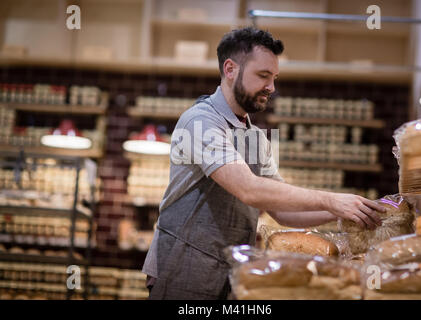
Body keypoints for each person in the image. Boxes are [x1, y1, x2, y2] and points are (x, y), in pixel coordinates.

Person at [142, 27, 386, 300]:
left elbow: (283, 212)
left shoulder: (255, 137)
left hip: (231, 272)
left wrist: (346, 211)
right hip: (183, 268)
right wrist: (331, 200)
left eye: (274, 78)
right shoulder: (200, 121)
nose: (272, 87)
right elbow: (249, 189)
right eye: (263, 76)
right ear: (231, 69)